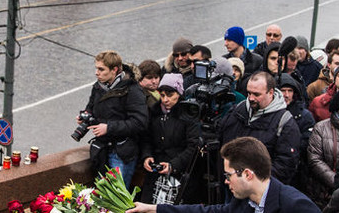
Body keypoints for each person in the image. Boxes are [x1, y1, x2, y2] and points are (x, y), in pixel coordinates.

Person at [128, 137, 320, 213]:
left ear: (247, 174)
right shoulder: (243, 203)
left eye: (228, 176)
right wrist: (152, 208)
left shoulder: (295, 205)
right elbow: (205, 212)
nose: (226, 182)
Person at [218, 72, 301, 184]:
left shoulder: (284, 123)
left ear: (270, 92)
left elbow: (285, 165)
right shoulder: (237, 111)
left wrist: (254, 183)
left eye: (257, 95)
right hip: (229, 183)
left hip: (258, 190)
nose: (251, 98)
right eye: (249, 93)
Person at [83, 50, 148, 184]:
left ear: (114, 70)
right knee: (102, 197)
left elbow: (140, 122)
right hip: (102, 149)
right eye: (96, 68)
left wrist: (109, 128)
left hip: (121, 152)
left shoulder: (132, 90)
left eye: (101, 69)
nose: (97, 73)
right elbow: (91, 108)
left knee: (118, 197)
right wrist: (85, 115)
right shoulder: (98, 86)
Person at [139, 74, 201, 204]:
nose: (165, 100)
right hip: (156, 171)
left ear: (179, 94)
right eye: (162, 95)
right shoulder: (154, 112)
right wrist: (147, 156)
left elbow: (193, 146)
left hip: (180, 172)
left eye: (170, 95)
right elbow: (147, 138)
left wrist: (174, 165)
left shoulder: (188, 114)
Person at [307, 89, 339, 206]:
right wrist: (336, 181)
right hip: (322, 192)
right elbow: (315, 159)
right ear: (338, 109)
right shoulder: (321, 128)